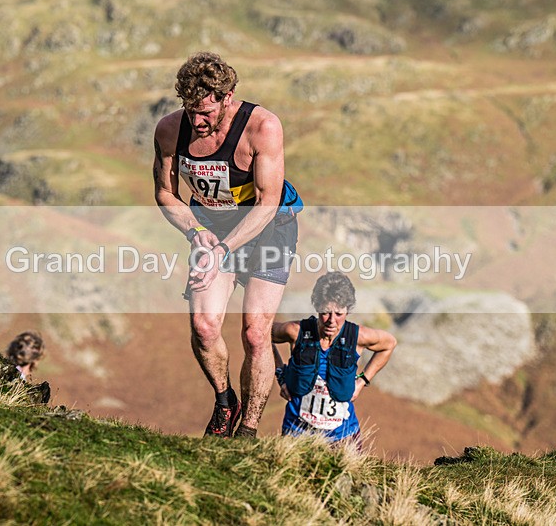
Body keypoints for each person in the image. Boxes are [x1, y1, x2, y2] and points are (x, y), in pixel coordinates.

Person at [153, 51, 302, 438]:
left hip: (269, 227)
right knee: (203, 326)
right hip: (212, 228)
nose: (198, 122)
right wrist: (194, 231)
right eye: (190, 111)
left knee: (255, 332)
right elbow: (166, 194)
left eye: (205, 112)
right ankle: (225, 402)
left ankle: (248, 432)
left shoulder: (263, 126)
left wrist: (224, 249)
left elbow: (268, 202)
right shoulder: (170, 130)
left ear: (228, 97)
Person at [271, 272, 396, 445]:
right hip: (296, 434)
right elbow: (260, 333)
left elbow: (389, 343)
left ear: (348, 309)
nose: (331, 321)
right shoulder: (296, 331)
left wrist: (362, 381)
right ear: (316, 306)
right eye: (325, 312)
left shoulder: (358, 336)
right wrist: (280, 374)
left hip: (343, 437)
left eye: (339, 313)